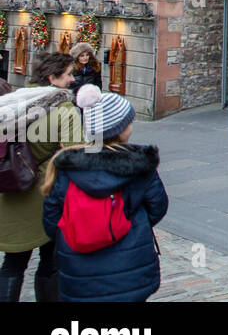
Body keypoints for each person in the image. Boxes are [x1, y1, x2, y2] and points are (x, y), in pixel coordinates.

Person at [40, 86, 168, 301]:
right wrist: (131, 224)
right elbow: (158, 207)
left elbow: (51, 220)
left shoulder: (67, 167)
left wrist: (78, 231)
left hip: (78, 268)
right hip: (130, 265)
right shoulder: (140, 166)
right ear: (120, 128)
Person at [0, 52, 82, 302]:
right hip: (47, 194)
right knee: (51, 260)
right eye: (68, 74)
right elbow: (76, 154)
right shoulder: (63, 108)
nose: (72, 79)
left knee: (13, 263)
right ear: (52, 77)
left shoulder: (17, 100)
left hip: (11, 189)